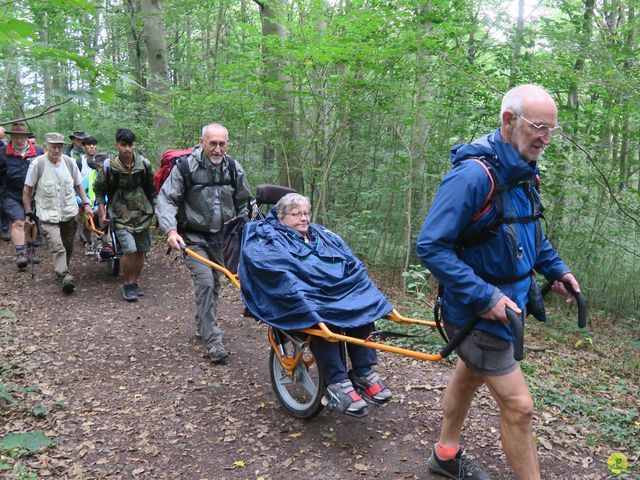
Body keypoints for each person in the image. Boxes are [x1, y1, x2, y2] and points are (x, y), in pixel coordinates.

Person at [416, 84, 582, 480]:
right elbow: (430, 246)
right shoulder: (473, 176)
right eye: (539, 126)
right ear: (509, 120)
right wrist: (484, 295)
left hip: (508, 306)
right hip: (478, 311)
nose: (545, 136)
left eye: (551, 129)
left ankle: (445, 454)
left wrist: (556, 269)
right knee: (520, 406)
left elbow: (528, 234)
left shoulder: (524, 172)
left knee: (470, 373)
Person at [240, 193, 393, 417]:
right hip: (301, 295)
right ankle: (338, 382)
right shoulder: (267, 235)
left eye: (306, 213)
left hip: (334, 290)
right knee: (322, 321)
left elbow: (349, 260)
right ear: (282, 217)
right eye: (296, 214)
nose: (304, 218)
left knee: (363, 306)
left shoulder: (319, 234)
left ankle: (363, 372)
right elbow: (275, 270)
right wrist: (306, 292)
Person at [157, 123, 252, 364]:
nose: (218, 148)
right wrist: (170, 230)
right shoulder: (185, 167)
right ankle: (213, 341)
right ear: (202, 142)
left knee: (217, 281)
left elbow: (244, 201)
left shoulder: (232, 167)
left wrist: (245, 228)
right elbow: (167, 199)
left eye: (222, 143)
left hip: (223, 237)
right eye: (213, 143)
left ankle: (203, 325)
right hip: (193, 237)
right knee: (206, 282)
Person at [22, 133, 92, 293]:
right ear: (46, 147)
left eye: (59, 146)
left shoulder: (69, 162)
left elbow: (79, 185)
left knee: (68, 246)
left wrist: (86, 202)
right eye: (53, 146)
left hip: (69, 212)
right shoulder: (37, 164)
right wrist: (28, 214)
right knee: (57, 245)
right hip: (47, 214)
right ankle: (65, 275)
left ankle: (62, 271)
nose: (57, 150)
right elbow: (27, 191)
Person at [93, 128, 156, 301]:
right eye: (123, 145)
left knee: (141, 250)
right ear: (117, 145)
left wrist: (157, 213)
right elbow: (98, 190)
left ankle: (134, 283)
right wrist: (102, 211)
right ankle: (128, 284)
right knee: (130, 249)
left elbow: (152, 190)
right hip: (119, 213)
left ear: (133, 145)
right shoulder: (109, 167)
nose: (127, 149)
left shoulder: (144, 164)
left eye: (130, 145)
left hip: (142, 212)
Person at [0, 122, 44, 268]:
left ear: (26, 136)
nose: (19, 139)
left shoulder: (37, 151)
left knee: (31, 221)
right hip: (11, 194)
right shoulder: (2, 152)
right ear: (11, 136)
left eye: (22, 136)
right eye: (16, 136)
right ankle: (21, 253)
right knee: (18, 222)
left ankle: (31, 249)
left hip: (33, 194)